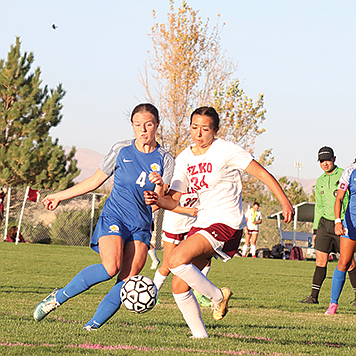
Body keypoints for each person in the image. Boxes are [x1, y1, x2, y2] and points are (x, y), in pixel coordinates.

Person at [144, 106, 294, 338]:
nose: (198, 133)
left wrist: (284, 201)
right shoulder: (184, 158)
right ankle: (200, 337)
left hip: (226, 223)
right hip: (202, 222)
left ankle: (217, 297)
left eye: (205, 129)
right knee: (179, 286)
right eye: (194, 127)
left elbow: (262, 174)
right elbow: (173, 200)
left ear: (215, 130)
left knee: (174, 259)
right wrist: (158, 199)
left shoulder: (226, 150)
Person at [33, 103, 174, 330]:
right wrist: (59, 196)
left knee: (127, 280)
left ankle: (92, 327)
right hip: (115, 217)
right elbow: (93, 181)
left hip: (141, 226)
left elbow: (159, 202)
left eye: (148, 124)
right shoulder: (121, 149)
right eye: (137, 125)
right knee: (110, 267)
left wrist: (157, 191)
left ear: (157, 125)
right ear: (132, 126)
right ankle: (57, 298)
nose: (143, 130)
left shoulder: (166, 159)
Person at [302, 147, 356, 305]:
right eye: (321, 161)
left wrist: (343, 220)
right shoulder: (319, 181)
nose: (325, 163)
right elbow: (318, 206)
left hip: (342, 223)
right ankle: (313, 297)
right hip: (324, 224)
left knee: (348, 262)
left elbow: (345, 199)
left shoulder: (345, 173)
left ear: (334, 158)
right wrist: (315, 230)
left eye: (328, 160)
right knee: (320, 260)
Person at [153, 188, 211, 307]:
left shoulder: (201, 177)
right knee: (167, 265)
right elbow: (165, 203)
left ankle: (199, 292)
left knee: (205, 260)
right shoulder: (177, 178)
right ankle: (152, 293)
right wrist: (188, 211)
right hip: (175, 225)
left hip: (194, 224)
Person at [325, 159, 356, 314]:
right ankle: (333, 304)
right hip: (351, 225)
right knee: (344, 262)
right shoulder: (350, 171)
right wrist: (338, 221)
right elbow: (339, 198)